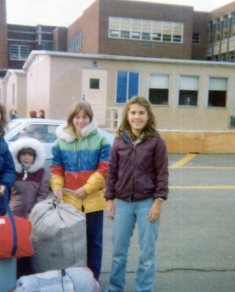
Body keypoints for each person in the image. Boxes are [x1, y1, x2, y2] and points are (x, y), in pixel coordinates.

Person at [105, 96, 169, 292]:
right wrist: (109, 199)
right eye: (133, 113)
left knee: (147, 253)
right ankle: (115, 288)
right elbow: (112, 172)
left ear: (148, 115)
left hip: (146, 203)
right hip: (123, 203)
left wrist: (158, 201)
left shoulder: (156, 142)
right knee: (118, 252)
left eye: (141, 113)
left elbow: (162, 173)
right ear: (127, 115)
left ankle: (144, 288)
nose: (137, 117)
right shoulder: (119, 142)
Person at [50, 101, 111, 280]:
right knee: (72, 244)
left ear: (90, 119)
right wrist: (57, 187)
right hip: (70, 202)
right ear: (71, 119)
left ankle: (93, 280)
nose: (81, 121)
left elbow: (104, 168)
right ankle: (74, 281)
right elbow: (56, 168)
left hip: (93, 202)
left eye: (85, 117)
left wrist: (86, 189)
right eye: (77, 117)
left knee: (94, 243)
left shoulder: (100, 139)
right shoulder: (60, 142)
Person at [9, 136, 50, 277]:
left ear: (34, 157)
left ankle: (30, 277)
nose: (26, 158)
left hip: (32, 217)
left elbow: (43, 194)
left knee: (30, 248)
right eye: (23, 154)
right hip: (14, 216)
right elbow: (7, 193)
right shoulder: (12, 172)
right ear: (18, 156)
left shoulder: (41, 173)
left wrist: (34, 212)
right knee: (15, 248)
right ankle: (15, 277)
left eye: (29, 154)